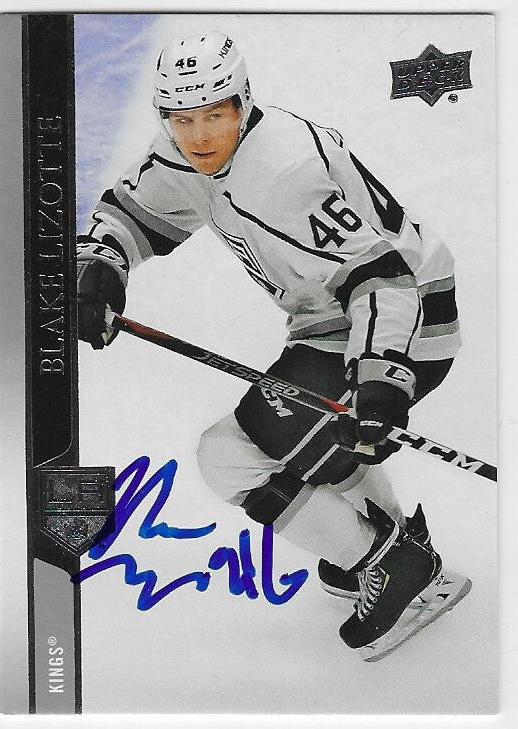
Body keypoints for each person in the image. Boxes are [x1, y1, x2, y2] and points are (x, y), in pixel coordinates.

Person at [77, 31, 471, 658]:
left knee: (229, 455)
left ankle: (398, 568)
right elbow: (136, 211)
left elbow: (384, 278)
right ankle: (397, 542)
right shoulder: (183, 151)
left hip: (403, 320)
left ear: (243, 101)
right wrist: (102, 265)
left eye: (214, 114)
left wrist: (381, 376)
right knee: (320, 438)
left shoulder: (283, 174)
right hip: (331, 318)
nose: (198, 134)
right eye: (181, 117)